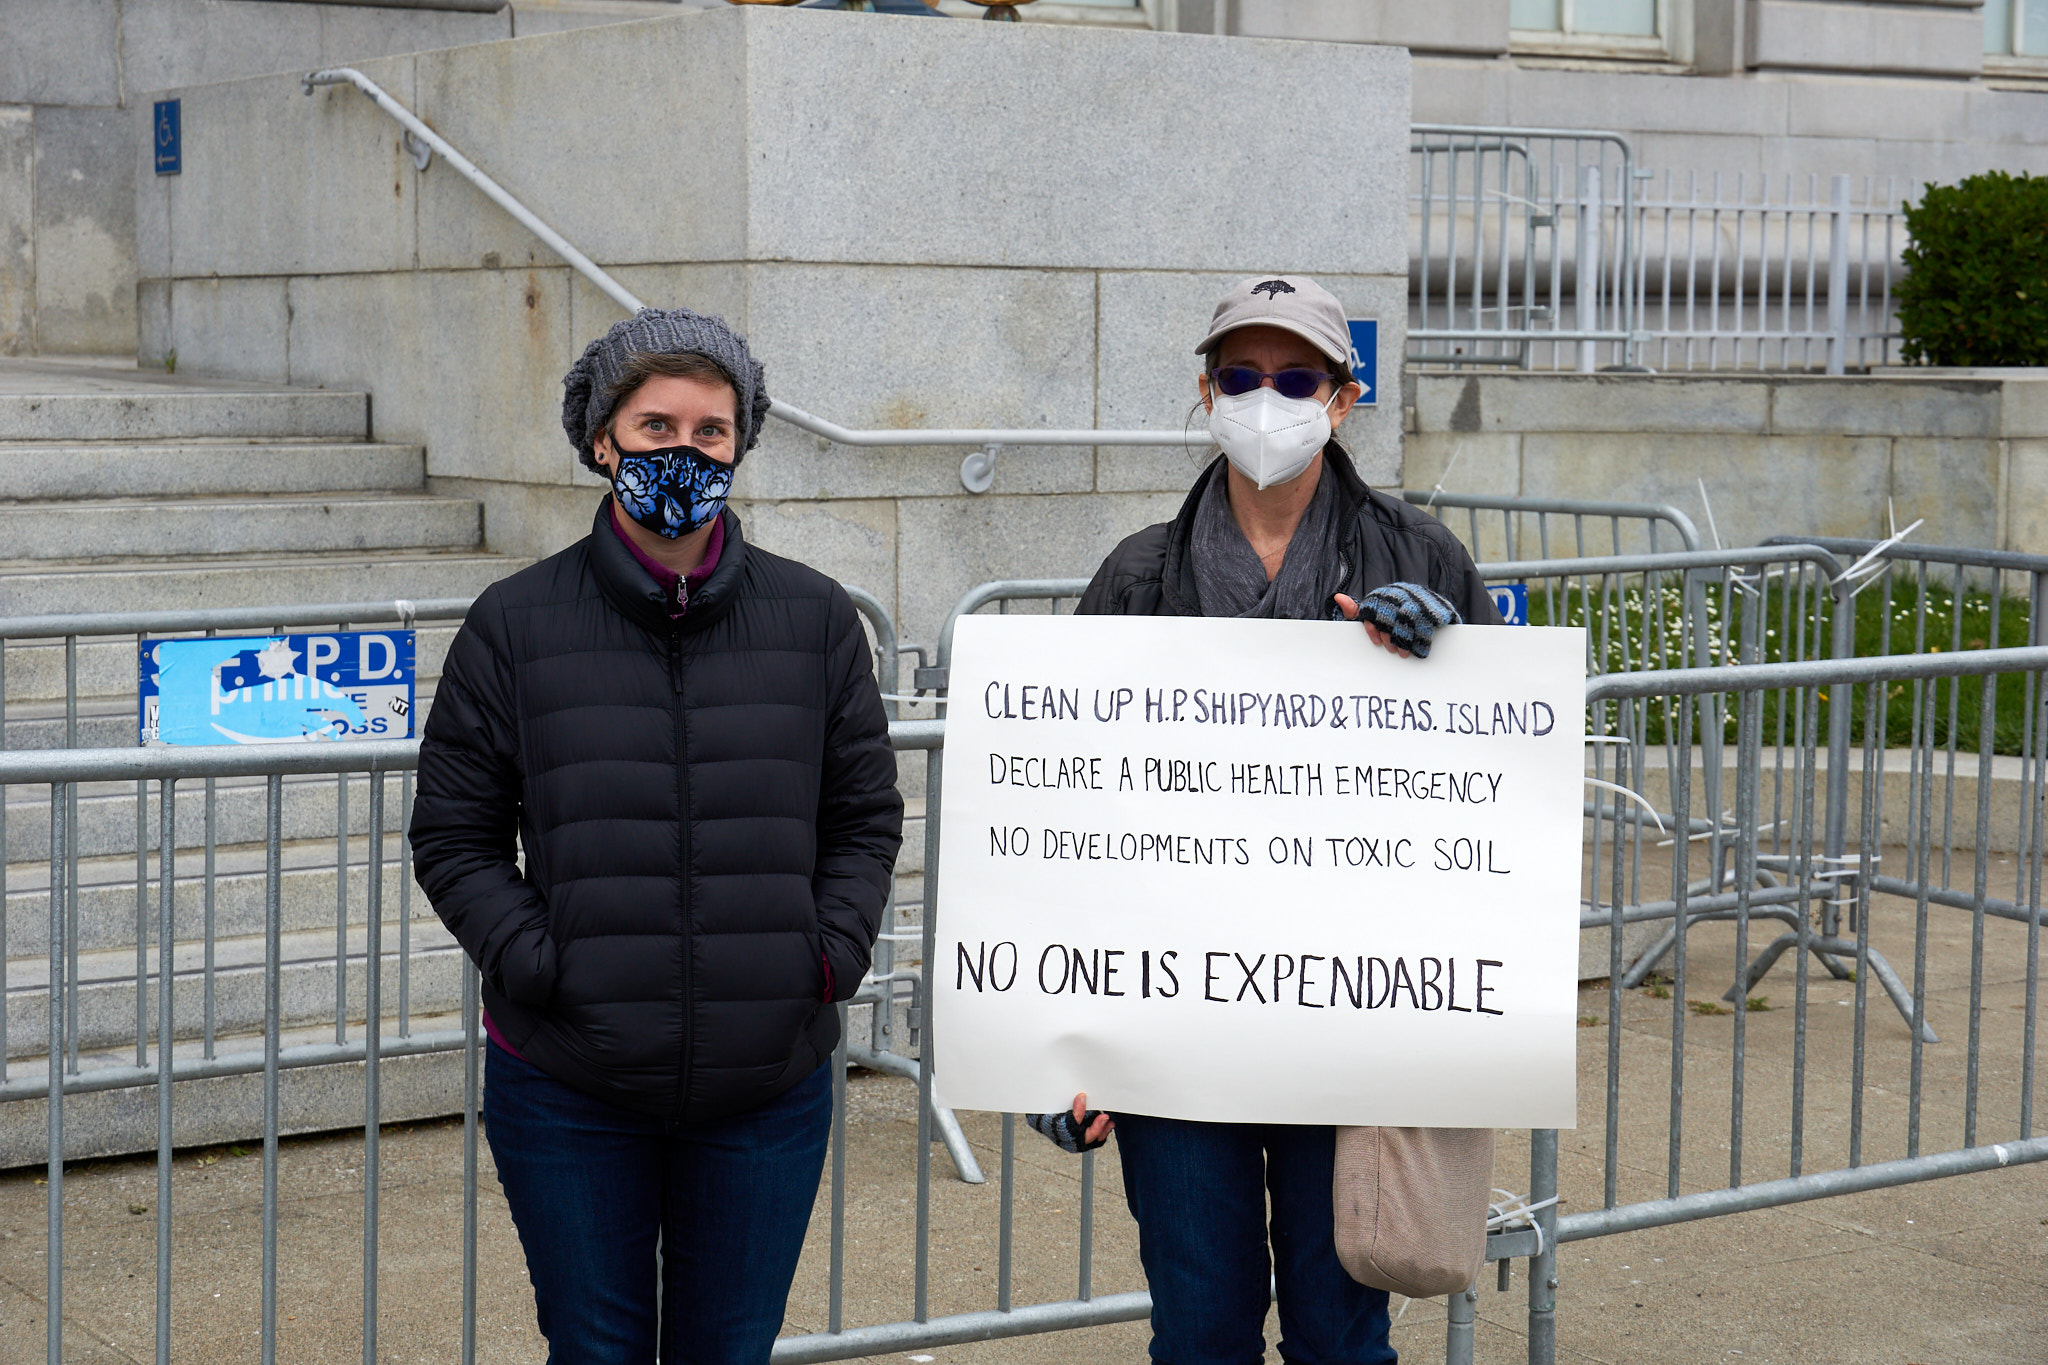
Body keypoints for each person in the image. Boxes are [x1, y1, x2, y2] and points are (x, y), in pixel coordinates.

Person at [410, 307, 904, 1365]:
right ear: (601, 440)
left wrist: (824, 959)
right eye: (654, 427)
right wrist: (538, 961)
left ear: (740, 445)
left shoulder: (815, 621)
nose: (683, 453)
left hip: (765, 1085)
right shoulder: (514, 622)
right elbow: (455, 834)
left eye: (710, 433)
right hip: (569, 1082)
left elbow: (863, 817)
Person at [1034, 275, 1503, 1365]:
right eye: (1240, 376)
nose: (1264, 400)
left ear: (1342, 399)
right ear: (1205, 392)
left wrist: (1451, 667)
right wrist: (1049, 1039)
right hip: (1176, 1021)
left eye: (1294, 378)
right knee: (1198, 1331)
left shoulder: (1419, 557)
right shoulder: (1139, 574)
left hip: (1349, 1021)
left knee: (1341, 1334)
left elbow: (1500, 791)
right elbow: (1061, 815)